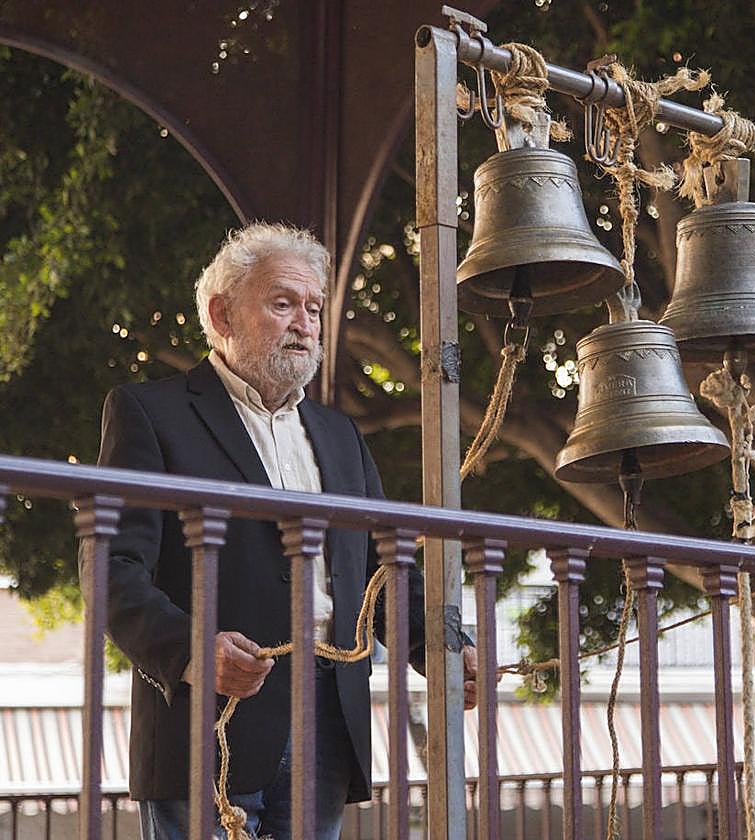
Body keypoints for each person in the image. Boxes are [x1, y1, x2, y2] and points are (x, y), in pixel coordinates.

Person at [90, 223, 475, 839]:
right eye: (282, 303)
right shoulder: (148, 412)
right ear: (221, 314)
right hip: (211, 718)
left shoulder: (340, 435)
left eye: (315, 307)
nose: (305, 322)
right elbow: (111, 569)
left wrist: (447, 648)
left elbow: (386, 570)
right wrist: (194, 651)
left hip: (330, 719)